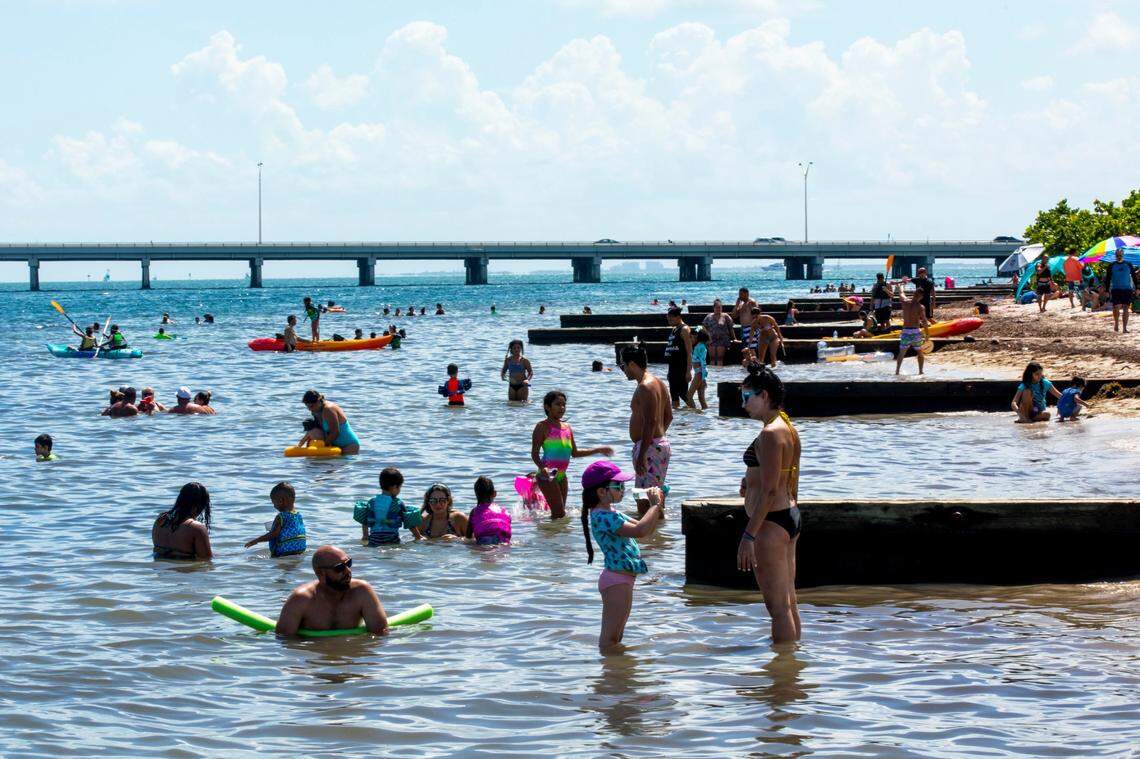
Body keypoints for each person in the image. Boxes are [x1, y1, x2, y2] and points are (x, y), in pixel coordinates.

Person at [736, 364, 802, 644]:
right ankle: (792, 669)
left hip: (770, 524)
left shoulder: (770, 433)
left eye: (747, 396)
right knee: (788, 602)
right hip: (788, 516)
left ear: (764, 395)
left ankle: (781, 682)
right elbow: (785, 475)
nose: (743, 404)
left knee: (777, 608)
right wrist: (749, 480)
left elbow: (770, 490)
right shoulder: (786, 424)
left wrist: (749, 535)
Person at [579, 460, 663, 651]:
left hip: (622, 578)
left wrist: (656, 506)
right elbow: (641, 530)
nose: (623, 489)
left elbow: (644, 528)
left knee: (616, 636)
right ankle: (610, 676)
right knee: (610, 640)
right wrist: (654, 505)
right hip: (616, 579)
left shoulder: (611, 512)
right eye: (618, 486)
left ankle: (617, 677)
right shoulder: (602, 516)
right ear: (601, 492)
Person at [531, 391, 614, 519]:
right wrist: (542, 468)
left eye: (564, 405)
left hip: (562, 476)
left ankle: (551, 536)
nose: (562, 408)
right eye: (557, 404)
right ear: (547, 407)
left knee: (559, 515)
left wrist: (598, 449)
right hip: (547, 476)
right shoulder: (542, 427)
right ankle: (549, 536)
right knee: (559, 514)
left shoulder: (567, 427)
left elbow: (574, 453)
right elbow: (534, 454)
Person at [276, 545, 388, 636]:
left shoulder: (362, 591)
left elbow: (380, 633)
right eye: (339, 568)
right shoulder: (301, 599)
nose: (347, 571)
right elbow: (285, 641)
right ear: (320, 574)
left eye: (348, 563)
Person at [620, 344, 672, 516]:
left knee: (645, 502)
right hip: (656, 445)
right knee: (653, 499)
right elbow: (668, 416)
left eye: (623, 366)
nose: (623, 370)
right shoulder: (659, 382)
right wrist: (659, 438)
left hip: (649, 448)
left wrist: (643, 452)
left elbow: (651, 421)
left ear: (632, 364)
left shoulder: (645, 386)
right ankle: (658, 539)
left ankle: (651, 540)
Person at [356, 467, 423, 545]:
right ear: (395, 487)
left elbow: (365, 521)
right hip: (392, 541)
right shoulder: (398, 503)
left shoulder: (372, 502)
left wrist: (365, 535)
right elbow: (409, 523)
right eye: (400, 487)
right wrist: (418, 537)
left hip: (374, 541)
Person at [244, 481, 308, 557]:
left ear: (281, 501)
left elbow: (273, 534)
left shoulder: (281, 517)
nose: (274, 506)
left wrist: (256, 541)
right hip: (300, 549)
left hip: (285, 551)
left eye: (274, 503)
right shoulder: (298, 515)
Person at [152, 482, 212, 560]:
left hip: (160, 570)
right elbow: (206, 560)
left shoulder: (160, 520)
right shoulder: (197, 528)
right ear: (198, 506)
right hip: (185, 570)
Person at [302, 390, 360, 454]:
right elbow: (319, 430)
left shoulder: (328, 409)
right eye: (307, 407)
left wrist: (322, 447)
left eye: (311, 406)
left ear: (318, 401)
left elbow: (335, 432)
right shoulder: (315, 411)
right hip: (333, 445)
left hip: (348, 445)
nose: (310, 409)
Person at [466, 476, 512, 545]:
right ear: (495, 493)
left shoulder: (474, 512)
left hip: (484, 541)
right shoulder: (504, 511)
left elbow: (468, 537)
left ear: (476, 495)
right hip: (504, 541)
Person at [895, 288, 930, 376]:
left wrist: (901, 286)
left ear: (914, 294)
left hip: (905, 331)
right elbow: (924, 322)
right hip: (915, 332)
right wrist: (927, 334)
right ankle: (920, 371)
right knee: (920, 352)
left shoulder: (905, 302)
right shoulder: (920, 307)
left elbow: (901, 293)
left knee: (902, 353)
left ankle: (897, 371)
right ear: (921, 296)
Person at [663, 306, 693, 409]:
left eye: (671, 318)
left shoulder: (684, 329)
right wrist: (669, 372)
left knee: (685, 396)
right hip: (672, 369)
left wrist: (689, 371)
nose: (669, 320)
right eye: (668, 318)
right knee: (674, 397)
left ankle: (696, 415)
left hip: (682, 368)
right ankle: (678, 422)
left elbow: (689, 352)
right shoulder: (674, 329)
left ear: (678, 317)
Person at [1106, 248, 1139, 333]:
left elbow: (1134, 277)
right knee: (1116, 307)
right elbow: (1108, 279)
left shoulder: (1128, 264)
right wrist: (1107, 290)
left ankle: (1124, 328)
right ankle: (1116, 323)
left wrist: (1138, 288)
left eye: (1120, 255)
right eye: (1117, 255)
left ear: (1123, 255)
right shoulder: (1111, 265)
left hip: (1127, 289)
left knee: (1126, 308)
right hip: (1116, 289)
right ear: (1115, 256)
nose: (1119, 257)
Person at [702, 299, 734, 367]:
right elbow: (703, 327)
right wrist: (708, 336)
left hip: (722, 339)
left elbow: (731, 328)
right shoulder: (709, 317)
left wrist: (734, 338)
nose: (718, 309)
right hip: (711, 340)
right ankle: (713, 376)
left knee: (720, 359)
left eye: (720, 307)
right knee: (712, 359)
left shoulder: (725, 316)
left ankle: (719, 375)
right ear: (713, 308)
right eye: (717, 307)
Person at [686, 329, 710, 410]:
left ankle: (693, 413)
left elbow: (703, 363)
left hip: (699, 374)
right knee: (701, 398)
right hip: (700, 374)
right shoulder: (699, 346)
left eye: (691, 337)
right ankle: (703, 414)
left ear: (697, 337)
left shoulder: (700, 347)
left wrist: (703, 379)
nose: (690, 339)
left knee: (688, 396)